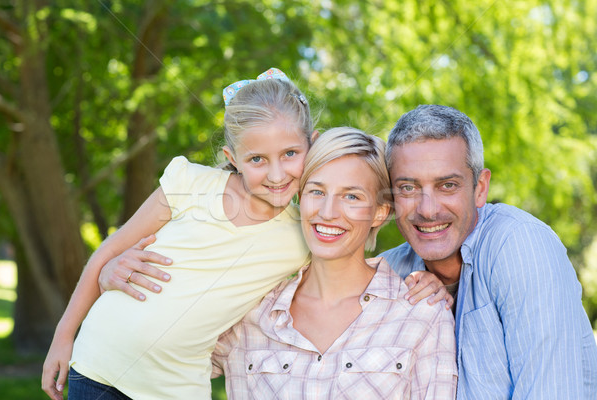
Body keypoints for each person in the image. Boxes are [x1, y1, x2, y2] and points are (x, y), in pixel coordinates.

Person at [42, 68, 316, 400]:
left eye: (290, 154)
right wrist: (63, 336)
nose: (276, 174)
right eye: (257, 159)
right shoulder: (191, 184)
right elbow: (110, 249)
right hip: (99, 366)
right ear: (234, 159)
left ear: (311, 145)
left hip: (176, 388)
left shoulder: (302, 236)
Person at [211, 127, 458, 399]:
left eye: (351, 197)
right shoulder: (250, 310)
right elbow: (165, 360)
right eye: (316, 192)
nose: (327, 212)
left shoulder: (421, 314)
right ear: (300, 198)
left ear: (379, 212)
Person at [379, 104, 597, 399]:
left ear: (480, 188)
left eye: (447, 185)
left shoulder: (519, 246)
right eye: (408, 188)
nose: (427, 210)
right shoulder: (388, 273)